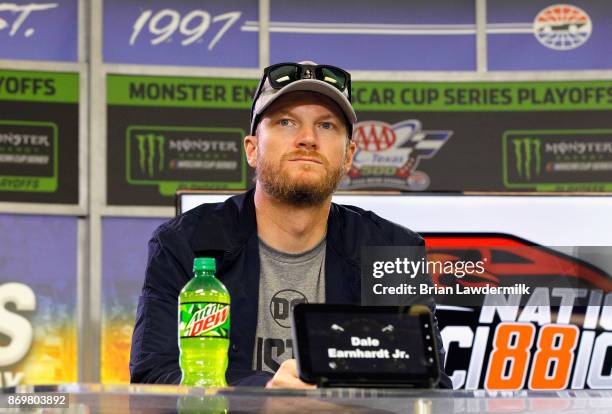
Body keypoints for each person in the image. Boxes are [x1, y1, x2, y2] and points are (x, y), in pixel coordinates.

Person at [129, 61, 452, 388]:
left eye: (327, 126)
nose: (308, 138)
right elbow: (154, 378)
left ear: (349, 156)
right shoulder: (185, 242)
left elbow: (431, 386)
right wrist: (262, 396)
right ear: (252, 149)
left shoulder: (391, 251)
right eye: (286, 122)